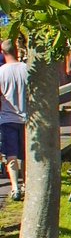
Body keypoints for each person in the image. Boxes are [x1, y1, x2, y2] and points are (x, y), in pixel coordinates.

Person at [0, 40, 25, 201]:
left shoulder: (1, 72)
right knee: (26, 155)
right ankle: (27, 185)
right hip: (28, 118)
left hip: (7, 118)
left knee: (11, 154)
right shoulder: (27, 69)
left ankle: (15, 187)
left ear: (2, 53)